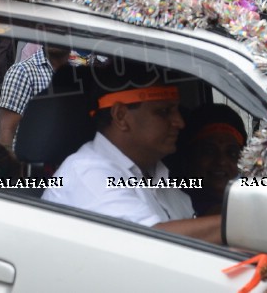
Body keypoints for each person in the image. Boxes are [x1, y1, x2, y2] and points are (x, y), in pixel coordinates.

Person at [42, 61, 222, 243]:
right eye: (164, 111)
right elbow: (151, 243)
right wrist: (235, 225)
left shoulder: (155, 173)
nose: (179, 122)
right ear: (121, 116)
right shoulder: (87, 172)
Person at [168, 104, 246, 216]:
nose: (221, 161)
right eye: (209, 151)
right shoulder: (174, 200)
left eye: (232, 153)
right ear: (190, 155)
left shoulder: (250, 194)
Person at [0, 44, 70, 153]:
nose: (57, 35)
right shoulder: (23, 72)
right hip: (29, 164)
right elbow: (6, 134)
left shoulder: (75, 75)